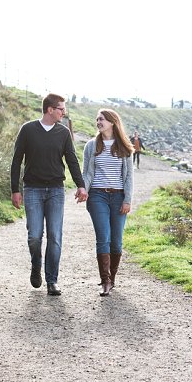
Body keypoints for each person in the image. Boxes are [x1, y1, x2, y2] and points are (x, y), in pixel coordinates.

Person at [10, 93, 88, 296]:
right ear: (50, 110)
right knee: (35, 237)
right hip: (32, 189)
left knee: (55, 236)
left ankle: (52, 280)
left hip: (55, 190)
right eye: (61, 108)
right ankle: (36, 265)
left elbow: (72, 161)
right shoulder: (27, 130)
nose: (64, 112)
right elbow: (16, 160)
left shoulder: (63, 133)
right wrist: (15, 190)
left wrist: (81, 186)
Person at [82, 109, 135, 296]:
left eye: (102, 119)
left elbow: (128, 178)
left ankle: (112, 278)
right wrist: (83, 190)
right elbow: (87, 173)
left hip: (119, 197)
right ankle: (105, 281)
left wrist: (127, 200)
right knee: (103, 237)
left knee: (116, 242)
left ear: (112, 122)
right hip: (97, 196)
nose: (98, 122)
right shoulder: (91, 146)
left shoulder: (125, 147)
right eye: (97, 119)